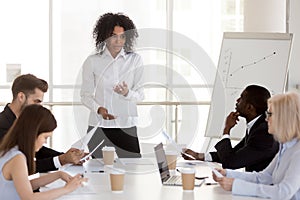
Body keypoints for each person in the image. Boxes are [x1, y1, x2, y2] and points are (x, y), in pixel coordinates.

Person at [213, 92, 300, 200]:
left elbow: (283, 192)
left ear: (284, 118)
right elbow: (265, 177)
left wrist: (236, 185)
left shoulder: (297, 151)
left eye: (270, 114)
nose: (266, 119)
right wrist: (228, 173)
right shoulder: (286, 147)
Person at [80, 12, 144, 158]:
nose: (118, 41)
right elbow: (85, 96)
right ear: (105, 37)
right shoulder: (92, 61)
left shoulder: (135, 60)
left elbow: (141, 95)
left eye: (122, 36)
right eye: (114, 36)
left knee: (131, 172)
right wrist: (99, 109)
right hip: (99, 127)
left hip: (126, 126)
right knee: (96, 173)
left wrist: (127, 93)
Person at [0, 74, 85, 173]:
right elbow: (21, 167)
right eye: (36, 101)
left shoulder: (22, 120)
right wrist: (61, 159)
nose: (40, 107)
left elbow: (34, 148)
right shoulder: (2, 125)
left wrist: (67, 156)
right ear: (21, 97)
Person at [183, 85, 279, 172]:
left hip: (262, 187)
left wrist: (227, 129)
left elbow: (231, 162)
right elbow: (233, 154)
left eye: (241, 98)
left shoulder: (264, 133)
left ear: (249, 108)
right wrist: (199, 156)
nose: (237, 100)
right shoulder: (258, 125)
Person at [0, 104, 87, 199]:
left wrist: (58, 174)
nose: (45, 142)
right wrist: (66, 189)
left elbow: (25, 186)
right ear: (33, 133)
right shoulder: (17, 159)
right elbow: (29, 197)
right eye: (45, 137)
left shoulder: (8, 150)